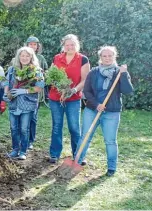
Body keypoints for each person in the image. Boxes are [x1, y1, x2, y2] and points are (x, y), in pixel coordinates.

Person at [75, 46, 133, 176]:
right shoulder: (94, 72)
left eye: (110, 56)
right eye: (104, 56)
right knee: (85, 136)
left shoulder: (120, 72)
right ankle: (77, 162)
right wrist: (96, 104)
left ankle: (111, 167)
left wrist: (123, 74)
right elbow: (87, 91)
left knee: (110, 141)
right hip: (92, 110)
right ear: (100, 58)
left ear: (114, 57)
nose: (107, 58)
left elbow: (128, 91)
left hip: (112, 112)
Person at [48, 34, 90, 164]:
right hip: (56, 97)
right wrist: (59, 87)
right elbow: (51, 75)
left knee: (74, 128)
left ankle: (78, 156)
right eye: (67, 45)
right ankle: (54, 154)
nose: (70, 47)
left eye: (72, 45)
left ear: (76, 45)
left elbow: (84, 80)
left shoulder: (83, 59)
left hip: (73, 98)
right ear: (63, 46)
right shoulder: (57, 58)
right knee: (57, 126)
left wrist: (72, 90)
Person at [3, 47, 45, 160]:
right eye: (22, 56)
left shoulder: (36, 71)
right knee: (13, 127)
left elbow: (39, 88)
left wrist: (24, 91)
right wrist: (6, 93)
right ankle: (15, 149)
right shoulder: (12, 69)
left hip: (27, 104)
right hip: (13, 103)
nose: (24, 58)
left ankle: (23, 151)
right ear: (18, 57)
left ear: (31, 57)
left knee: (24, 128)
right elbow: (6, 82)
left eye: (27, 56)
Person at [24, 36, 48, 150]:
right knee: (23, 117)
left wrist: (43, 73)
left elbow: (46, 72)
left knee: (33, 117)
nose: (33, 46)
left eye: (35, 44)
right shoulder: (22, 56)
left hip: (36, 93)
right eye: (31, 44)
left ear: (38, 46)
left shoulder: (41, 58)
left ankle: (30, 140)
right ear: (27, 45)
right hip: (23, 92)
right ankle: (22, 139)